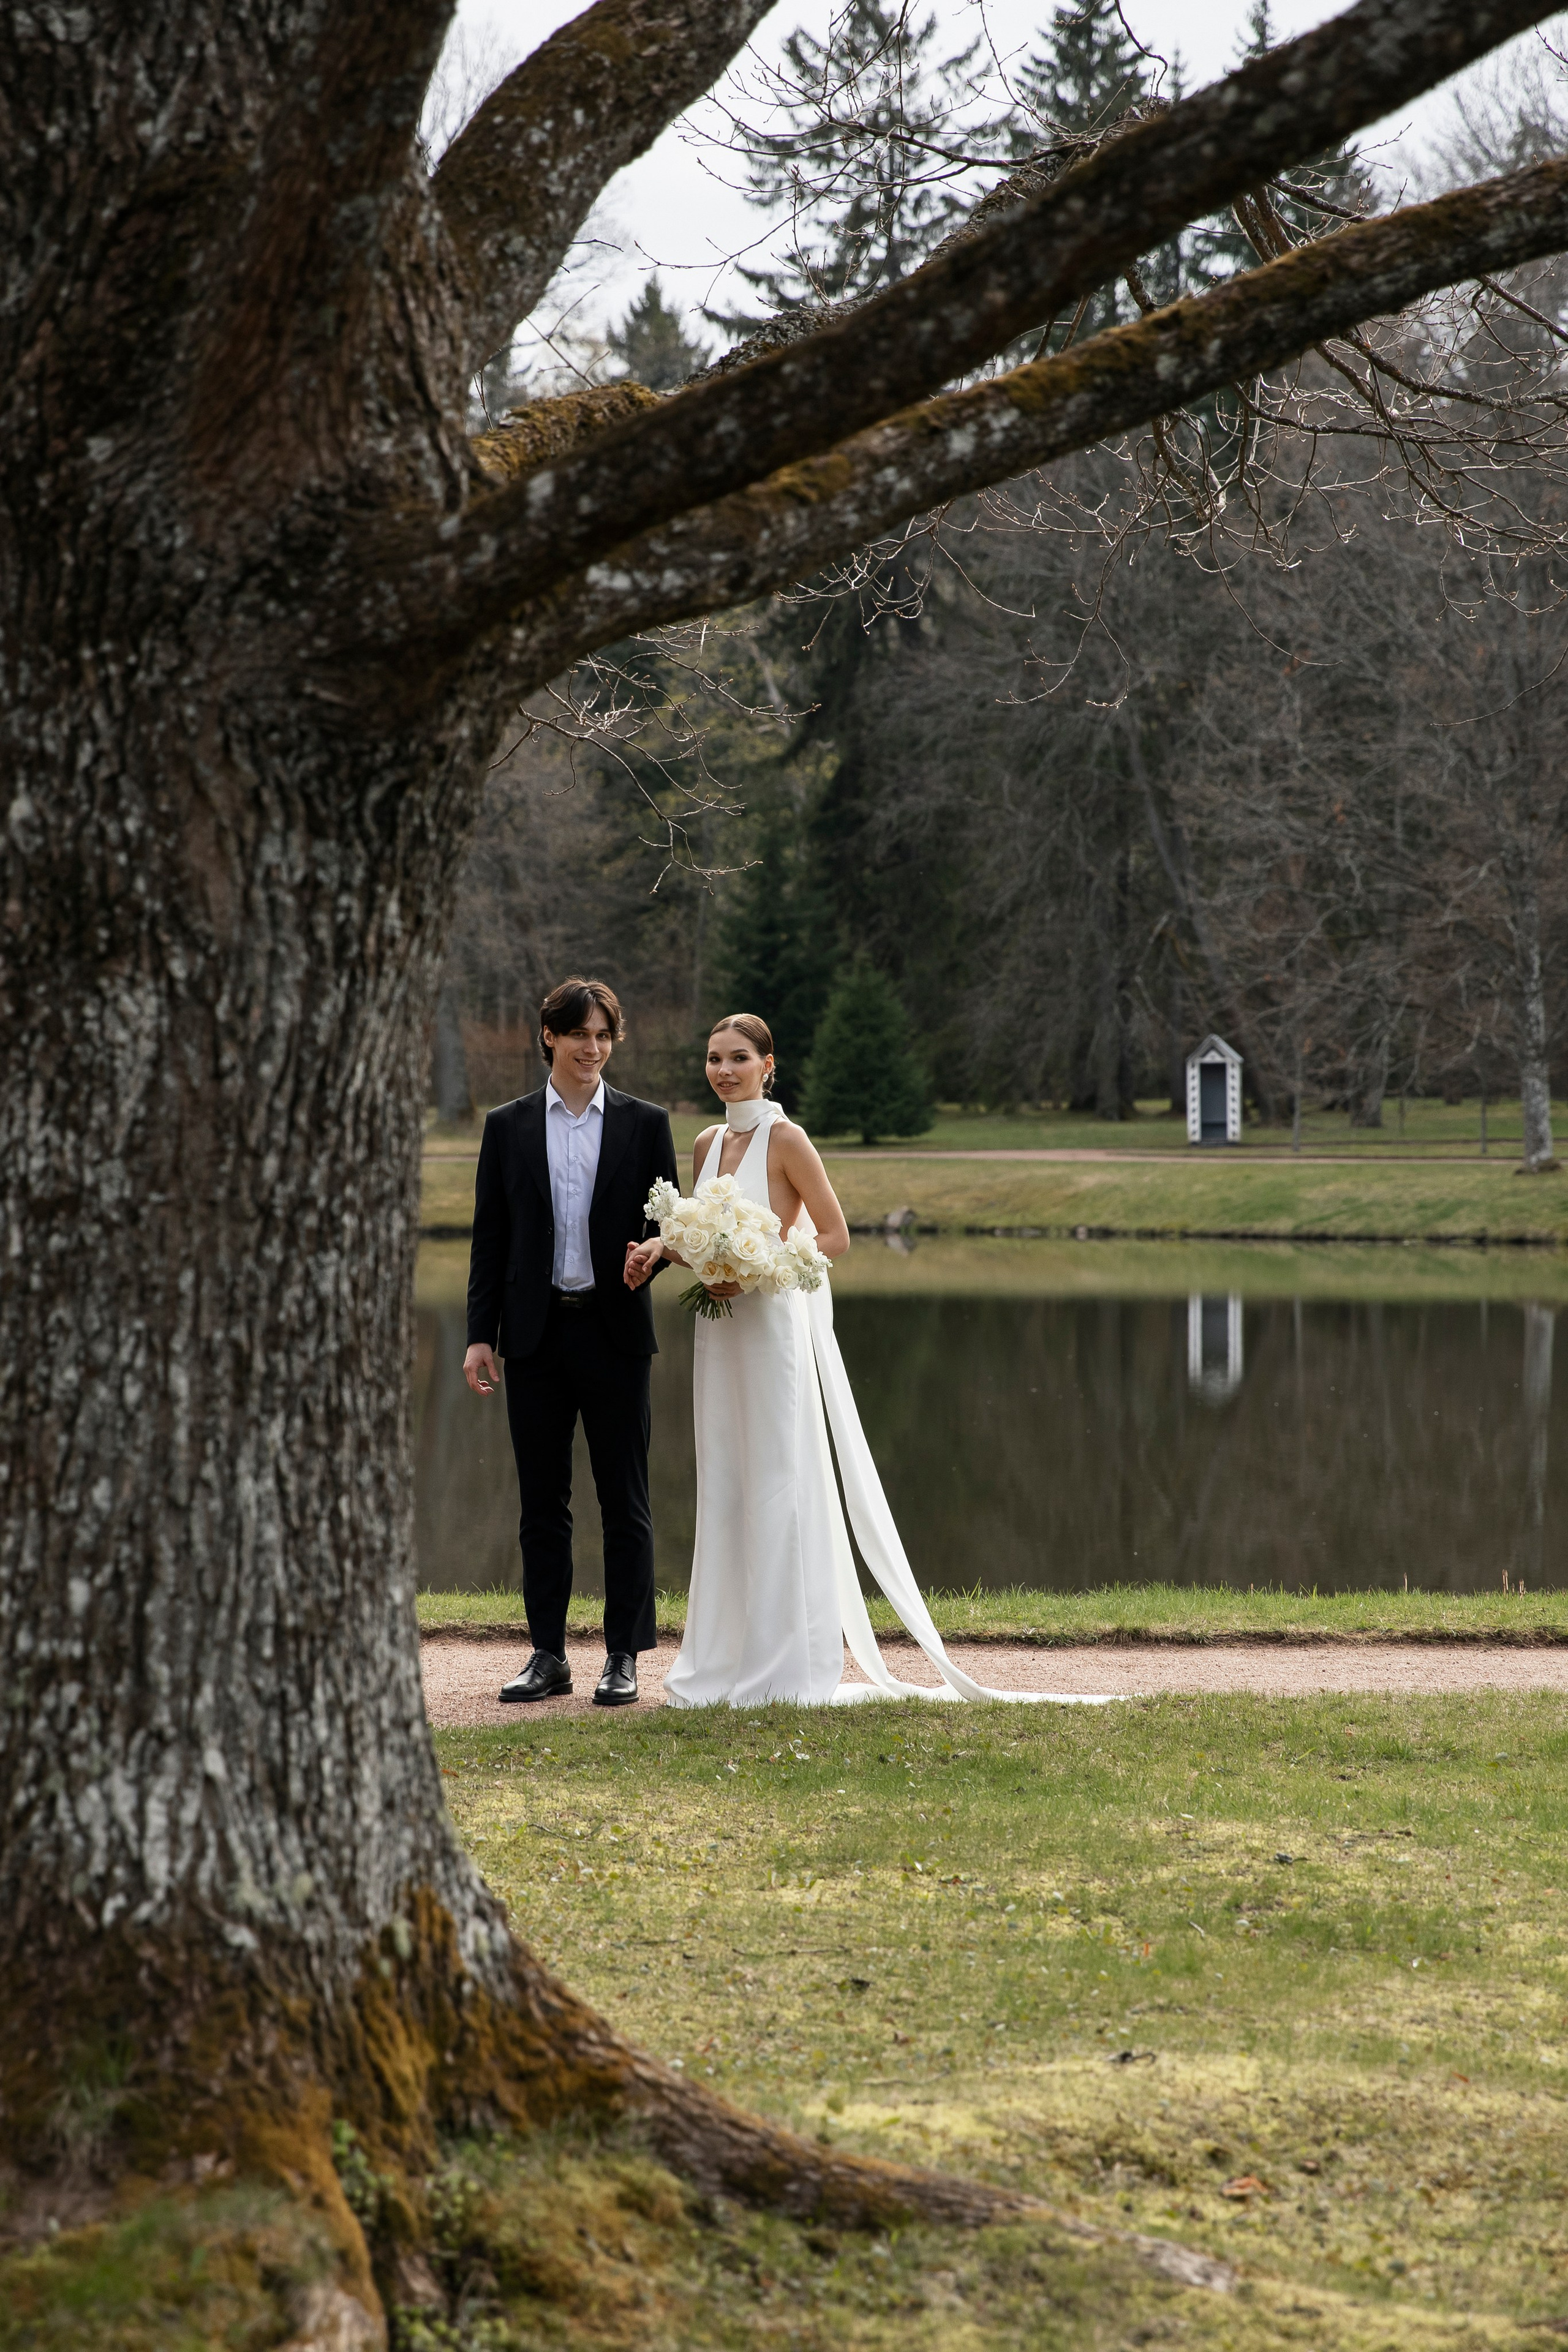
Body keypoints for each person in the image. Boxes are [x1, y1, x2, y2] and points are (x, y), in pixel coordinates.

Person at [625, 1013, 1112, 1708]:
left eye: (738, 1058)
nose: (724, 1070)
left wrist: (761, 1270)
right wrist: (663, 1251)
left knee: (773, 1481)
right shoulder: (705, 1142)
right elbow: (695, 1232)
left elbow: (834, 1235)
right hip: (719, 1332)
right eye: (713, 1058)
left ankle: (781, 1664)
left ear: (769, 1065)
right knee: (726, 1480)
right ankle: (718, 1662)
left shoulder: (787, 1139)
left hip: (768, 1327)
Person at [464, 977, 677, 1707]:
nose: (594, 1049)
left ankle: (623, 1656)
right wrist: (477, 1337)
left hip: (616, 1332)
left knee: (625, 1501)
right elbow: (489, 1239)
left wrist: (653, 1253)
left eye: (604, 1036)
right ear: (549, 1035)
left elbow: (668, 1228)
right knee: (542, 1505)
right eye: (581, 1034)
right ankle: (547, 1655)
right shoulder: (509, 1125)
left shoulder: (645, 1124)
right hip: (533, 1336)